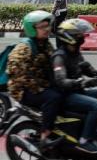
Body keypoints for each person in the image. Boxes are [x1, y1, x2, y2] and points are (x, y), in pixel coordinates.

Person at [51, 19, 97, 154]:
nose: (82, 37)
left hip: (77, 91)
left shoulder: (75, 53)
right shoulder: (60, 56)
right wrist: (79, 82)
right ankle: (85, 140)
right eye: (79, 34)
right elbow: (61, 80)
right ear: (69, 36)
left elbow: (91, 71)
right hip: (65, 96)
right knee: (96, 105)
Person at [6, 11, 63, 152]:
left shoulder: (45, 44)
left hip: (39, 85)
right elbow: (17, 73)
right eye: (42, 26)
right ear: (32, 29)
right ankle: (44, 137)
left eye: (47, 25)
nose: (47, 29)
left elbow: (55, 61)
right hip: (23, 90)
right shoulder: (24, 48)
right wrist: (42, 87)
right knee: (53, 97)